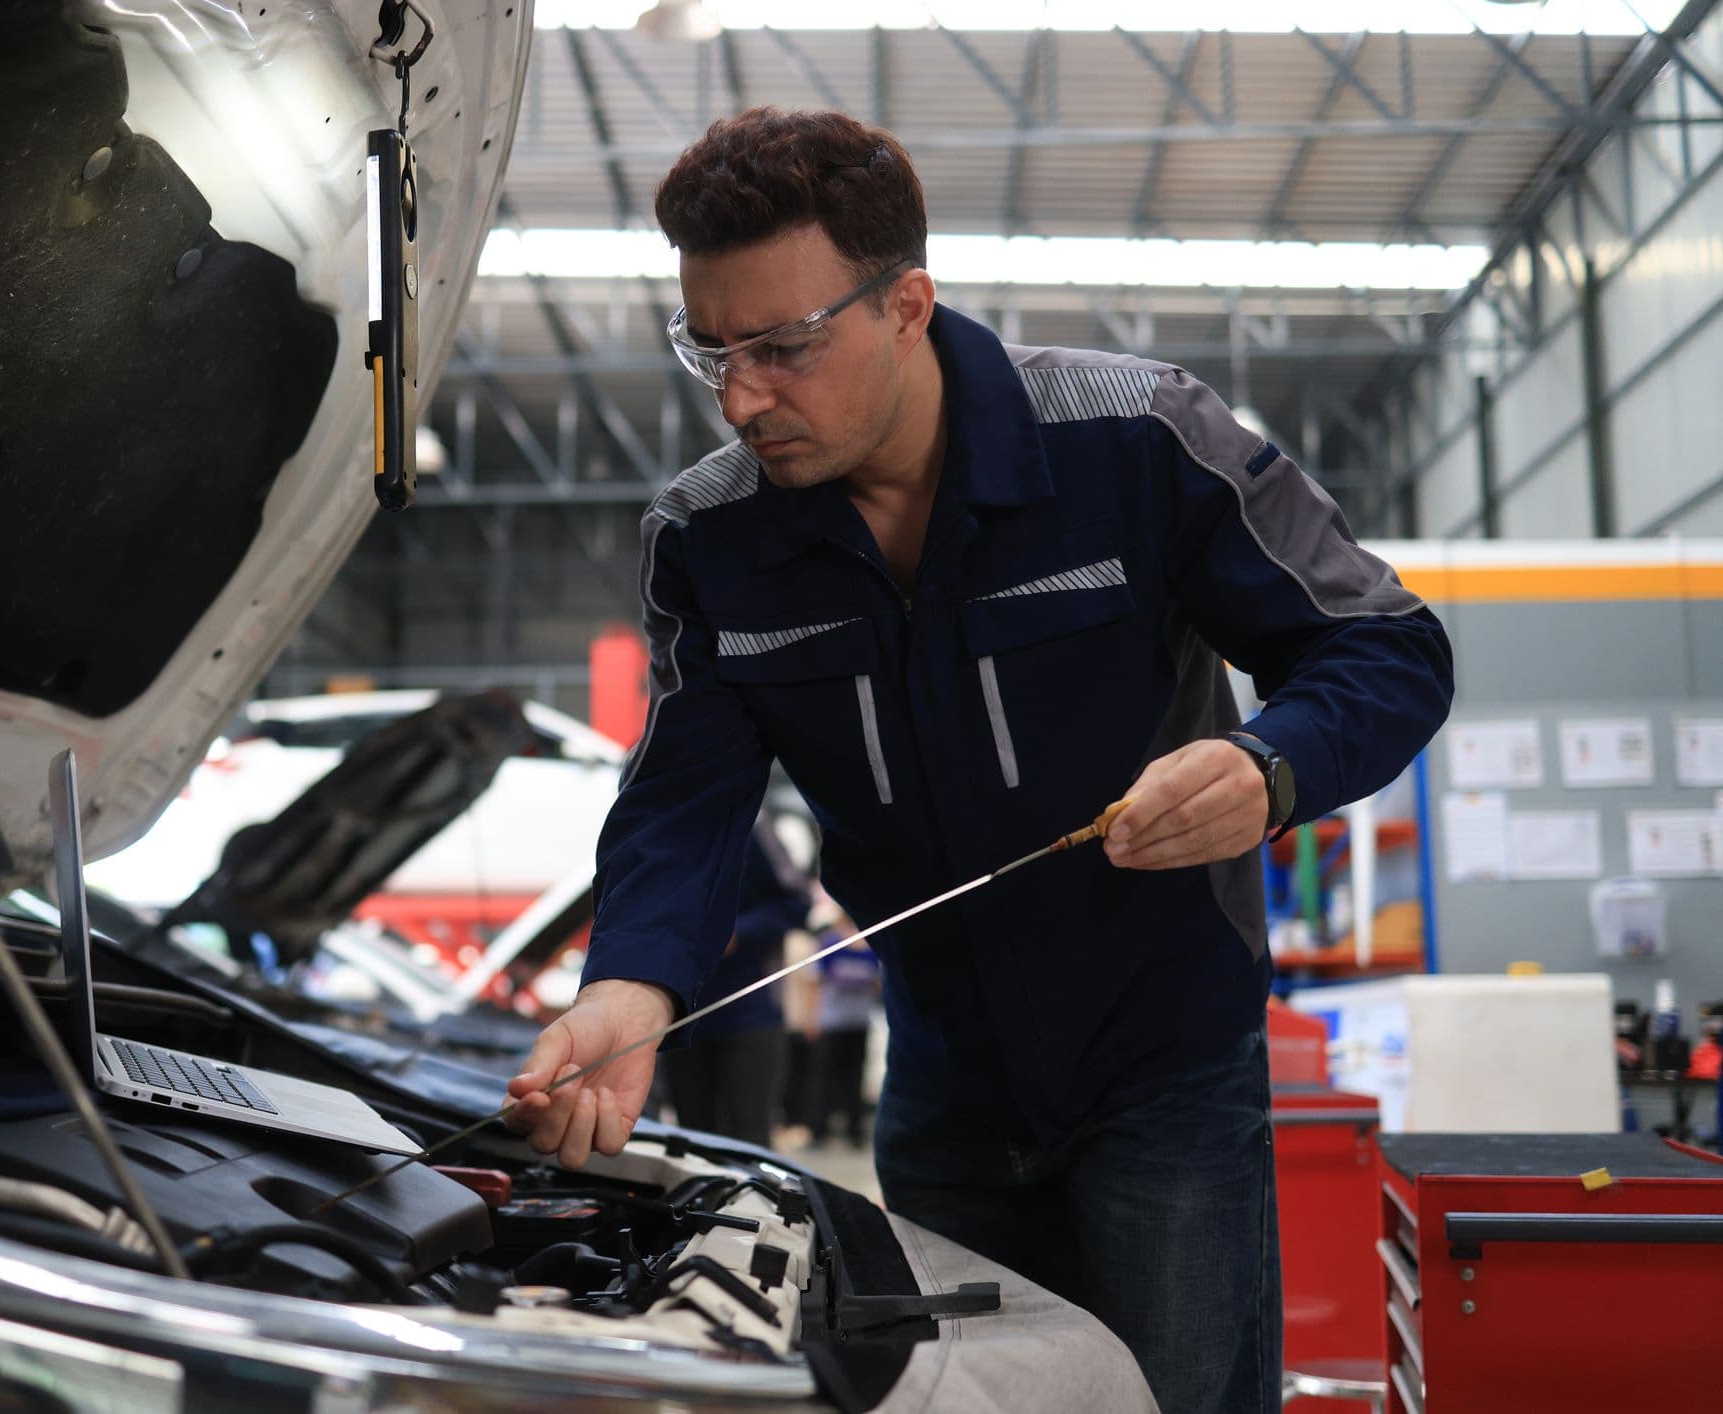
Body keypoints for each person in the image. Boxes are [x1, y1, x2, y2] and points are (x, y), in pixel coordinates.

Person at [504, 107, 1453, 1413]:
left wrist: (1269, 766)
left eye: (783, 346)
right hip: (944, 1078)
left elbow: (1388, 651)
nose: (739, 397)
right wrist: (630, 984)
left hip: (1162, 1066)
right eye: (708, 348)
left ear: (907, 304)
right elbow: (686, 793)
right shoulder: (711, 539)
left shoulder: (1134, 444)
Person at [656, 812, 812, 1145]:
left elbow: (797, 902)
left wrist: (736, 933)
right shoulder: (658, 821)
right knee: (693, 1141)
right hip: (678, 1014)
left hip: (748, 1011)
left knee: (749, 1140)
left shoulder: (751, 823)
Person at [803, 930, 879, 1148]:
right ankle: (818, 1130)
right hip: (831, 1022)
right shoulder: (831, 944)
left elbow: (878, 983)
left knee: (854, 1077)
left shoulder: (871, 946)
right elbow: (815, 983)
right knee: (823, 1077)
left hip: (859, 1021)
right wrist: (812, 1017)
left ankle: (855, 1131)